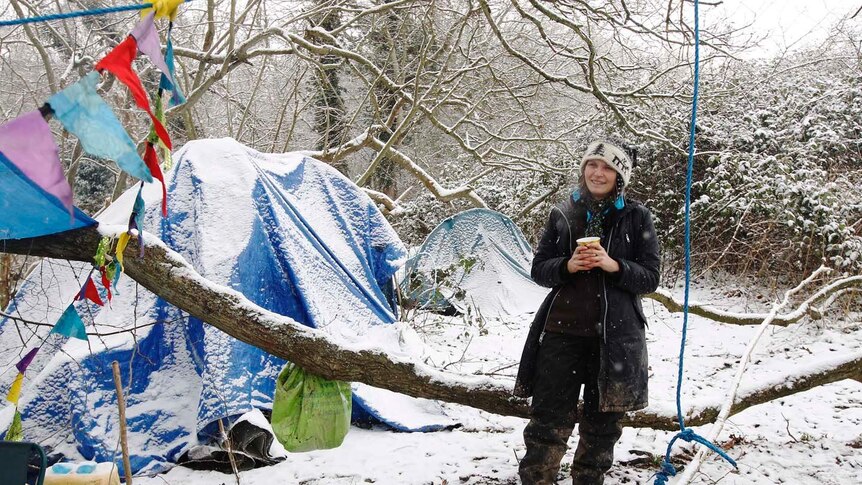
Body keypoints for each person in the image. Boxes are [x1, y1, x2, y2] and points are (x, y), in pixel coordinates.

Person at [514, 139, 661, 484]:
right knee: (548, 422)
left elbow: (651, 278)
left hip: (616, 338)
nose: (598, 172)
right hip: (562, 333)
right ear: (583, 169)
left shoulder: (637, 216)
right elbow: (539, 269)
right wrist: (567, 265)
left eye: (608, 167)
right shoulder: (563, 212)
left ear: (620, 175)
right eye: (592, 164)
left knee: (603, 426)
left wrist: (614, 265)